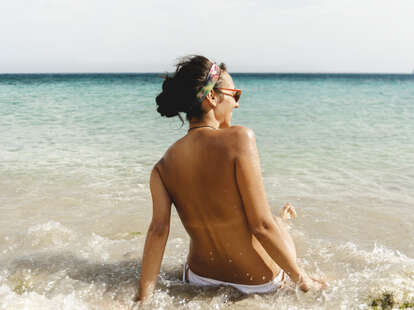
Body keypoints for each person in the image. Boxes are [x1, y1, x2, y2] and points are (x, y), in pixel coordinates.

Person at [135, 55, 325, 303]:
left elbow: (158, 232)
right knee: (274, 225)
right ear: (212, 97)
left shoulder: (162, 166)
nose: (237, 105)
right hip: (257, 281)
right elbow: (260, 225)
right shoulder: (239, 139)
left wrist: (142, 297)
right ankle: (284, 222)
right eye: (235, 95)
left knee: (270, 222)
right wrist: (303, 280)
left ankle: (283, 220)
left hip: (198, 278)